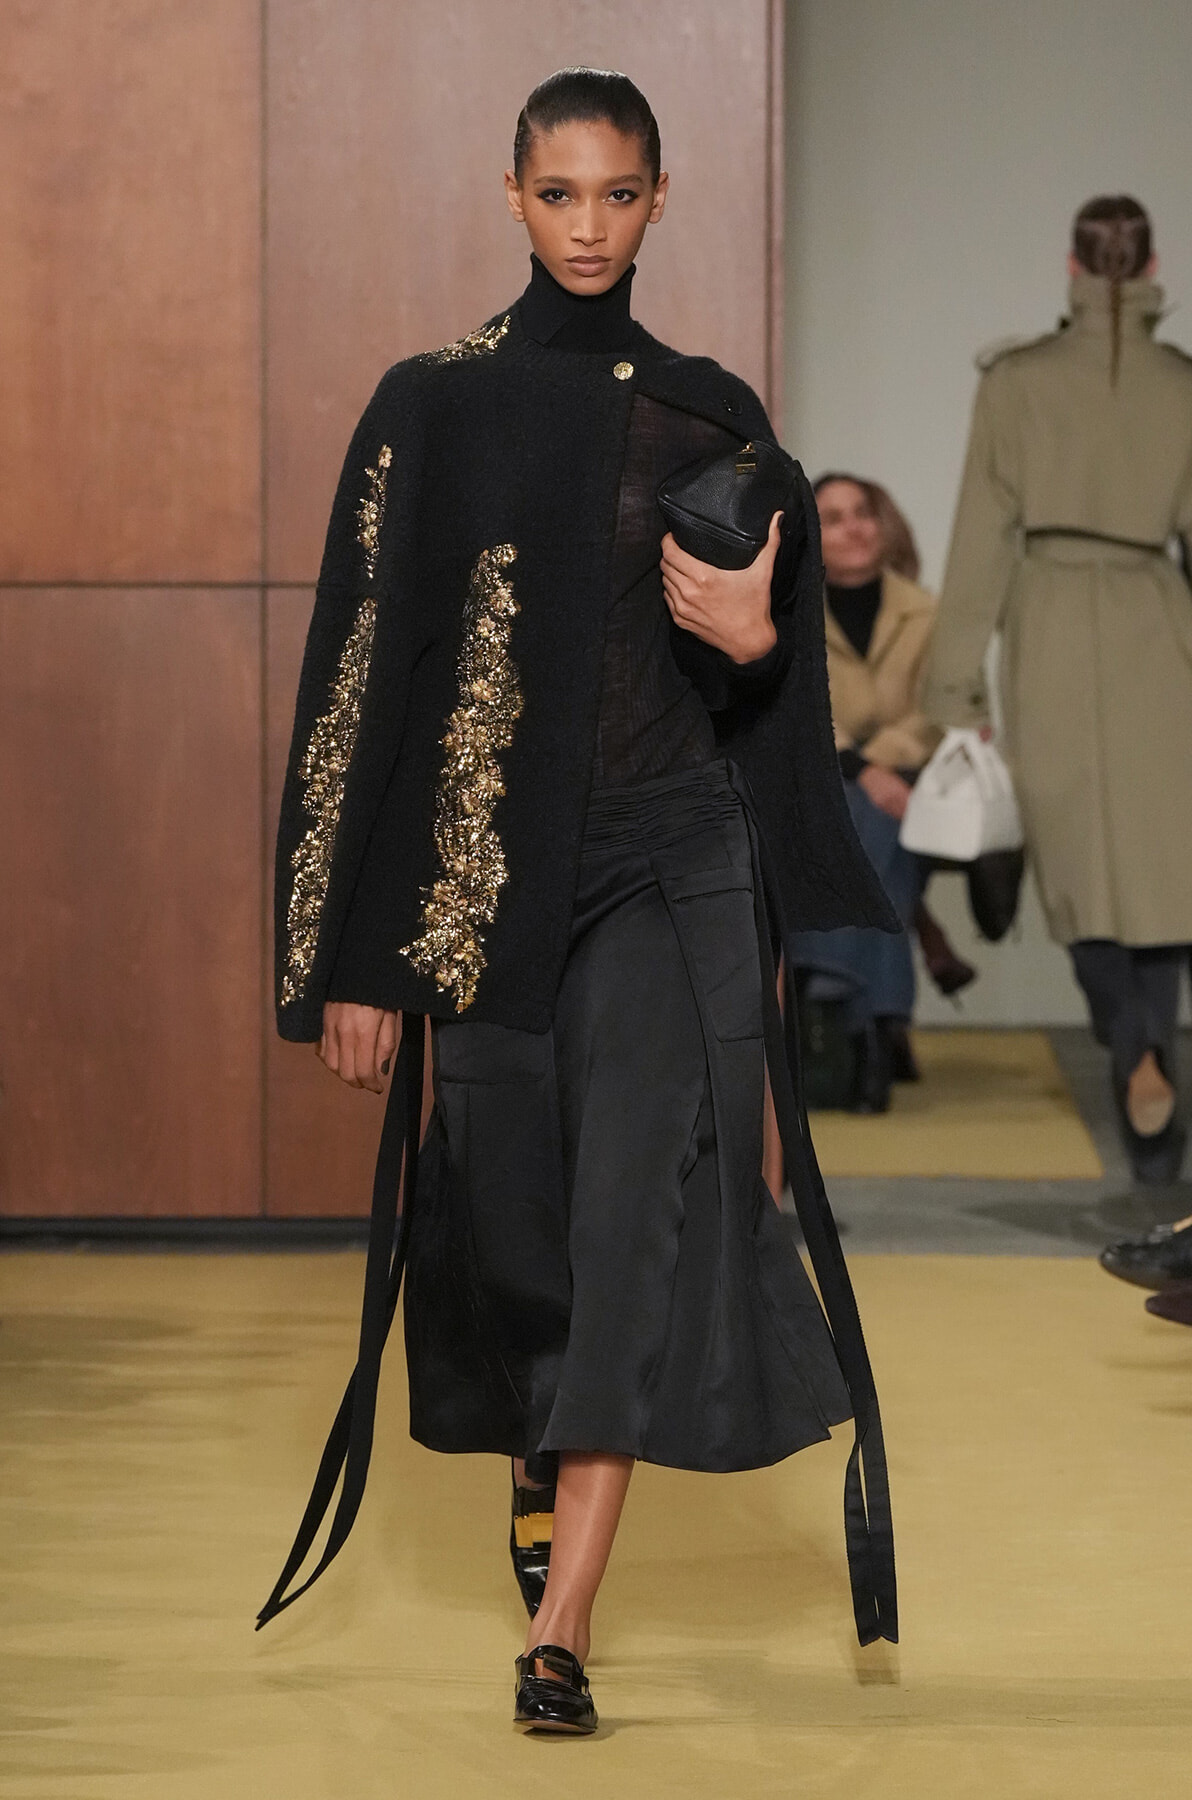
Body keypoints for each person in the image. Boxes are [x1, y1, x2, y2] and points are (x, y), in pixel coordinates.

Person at [258, 69, 898, 1731]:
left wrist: (757, 645)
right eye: (562, 194)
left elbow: (772, 701)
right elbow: (363, 691)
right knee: (517, 1238)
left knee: (630, 1225)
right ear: (515, 194)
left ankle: (563, 1629)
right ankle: (544, 1447)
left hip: (673, 863)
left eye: (620, 194)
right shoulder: (434, 404)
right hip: (489, 893)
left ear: (661, 199)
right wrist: (349, 955)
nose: (591, 224)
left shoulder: (714, 413)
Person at [924, 196, 1192, 1185]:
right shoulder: (1183, 386)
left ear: (1071, 268)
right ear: (1153, 264)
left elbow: (980, 535)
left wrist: (952, 690)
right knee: (1165, 878)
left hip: (1049, 628)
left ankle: (1129, 1046)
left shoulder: (1017, 382)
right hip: (1162, 627)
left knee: (1078, 872)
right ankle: (1153, 1062)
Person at [788, 473, 951, 1112]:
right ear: (812, 533)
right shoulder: (791, 612)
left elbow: (940, 711)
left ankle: (832, 994)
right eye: (832, 517)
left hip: (912, 780)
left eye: (862, 513)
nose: (852, 527)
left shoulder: (928, 611)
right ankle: (878, 1031)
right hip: (829, 777)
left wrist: (880, 764)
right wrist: (861, 768)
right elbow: (796, 710)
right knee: (870, 825)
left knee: (872, 818)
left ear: (882, 524)